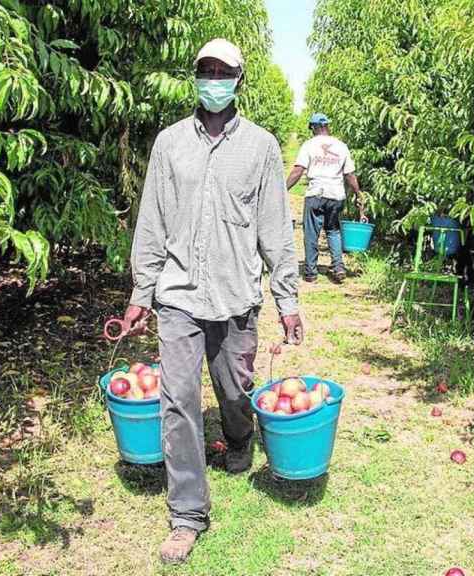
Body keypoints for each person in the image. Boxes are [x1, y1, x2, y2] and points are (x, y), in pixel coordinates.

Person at [117, 38, 304, 565]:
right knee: (177, 401)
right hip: (178, 296)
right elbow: (151, 221)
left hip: (237, 294)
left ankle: (240, 440)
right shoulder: (170, 143)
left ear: (239, 79)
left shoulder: (263, 147)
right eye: (206, 70)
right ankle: (188, 515)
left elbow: (275, 228)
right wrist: (141, 293)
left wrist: (287, 299)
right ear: (195, 76)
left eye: (224, 71)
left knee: (234, 389)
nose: (214, 78)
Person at [285, 113, 365, 284]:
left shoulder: (309, 145)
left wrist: (283, 189)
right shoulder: (341, 146)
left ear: (314, 128)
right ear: (327, 126)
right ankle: (338, 267)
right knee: (333, 230)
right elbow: (349, 174)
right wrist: (358, 193)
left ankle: (310, 273)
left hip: (316, 193)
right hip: (336, 195)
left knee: (311, 232)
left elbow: (298, 170)